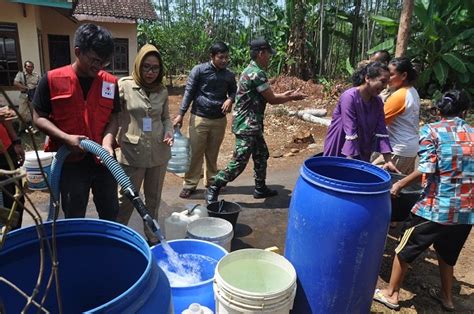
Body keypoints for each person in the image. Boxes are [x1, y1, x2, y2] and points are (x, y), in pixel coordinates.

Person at [373, 90, 473, 312]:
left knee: (403, 248)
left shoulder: (432, 131)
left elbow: (427, 167)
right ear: (464, 112)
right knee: (447, 254)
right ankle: (447, 299)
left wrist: (399, 184)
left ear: (438, 111)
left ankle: (391, 294)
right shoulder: (473, 134)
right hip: (465, 210)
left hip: (435, 208)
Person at [32, 23, 119, 220]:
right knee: (73, 213)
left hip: (104, 160)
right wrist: (65, 138)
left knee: (110, 212)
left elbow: (114, 117)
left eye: (104, 62)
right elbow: (38, 117)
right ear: (78, 52)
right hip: (70, 161)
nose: (99, 66)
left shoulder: (109, 82)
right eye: (95, 60)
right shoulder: (52, 79)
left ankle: (108, 248)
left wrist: (107, 143)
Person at [205, 38, 306, 204]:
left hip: (253, 124)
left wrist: (287, 96)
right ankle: (214, 186)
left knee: (261, 154)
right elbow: (272, 99)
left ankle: (260, 188)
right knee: (238, 163)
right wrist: (292, 97)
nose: (269, 58)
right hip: (247, 125)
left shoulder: (253, 70)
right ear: (261, 53)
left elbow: (268, 95)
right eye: (268, 54)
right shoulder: (256, 73)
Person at [116, 44, 173, 244]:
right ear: (139, 65)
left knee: (153, 199)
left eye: (155, 68)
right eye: (146, 67)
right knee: (126, 198)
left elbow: (166, 118)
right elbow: (113, 115)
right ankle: (119, 237)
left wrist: (169, 131)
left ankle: (151, 236)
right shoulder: (124, 86)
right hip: (132, 153)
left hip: (159, 151)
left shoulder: (162, 90)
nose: (150, 72)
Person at [172, 41, 237, 199]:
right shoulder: (199, 70)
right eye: (221, 57)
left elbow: (235, 91)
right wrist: (181, 113)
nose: (224, 60)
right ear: (212, 56)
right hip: (199, 118)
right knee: (195, 153)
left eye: (226, 58)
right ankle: (190, 184)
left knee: (212, 153)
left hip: (219, 120)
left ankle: (212, 182)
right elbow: (189, 92)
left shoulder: (229, 75)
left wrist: (230, 99)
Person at [323, 62, 398, 172]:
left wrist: (388, 160)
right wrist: (351, 164)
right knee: (336, 176)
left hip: (362, 145)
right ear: (367, 78)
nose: (384, 87)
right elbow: (350, 130)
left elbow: (381, 131)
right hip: (341, 144)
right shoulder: (349, 97)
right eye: (382, 81)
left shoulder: (377, 102)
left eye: (386, 83)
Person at [372, 57, 420, 175]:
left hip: (397, 149)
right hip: (410, 149)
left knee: (372, 180)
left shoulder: (398, 96)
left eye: (392, 75)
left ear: (404, 75)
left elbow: (378, 123)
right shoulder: (412, 92)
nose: (388, 79)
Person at [0, 106, 25, 230]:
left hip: (6, 152)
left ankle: (14, 239)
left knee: (16, 203)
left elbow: (4, 115)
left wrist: (16, 141)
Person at [13, 61, 40, 133]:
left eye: (31, 66)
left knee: (33, 112)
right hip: (24, 95)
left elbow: (39, 84)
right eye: (28, 66)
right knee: (21, 112)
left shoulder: (36, 75)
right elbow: (15, 83)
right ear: (25, 67)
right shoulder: (21, 74)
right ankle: (21, 128)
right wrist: (25, 87)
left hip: (33, 95)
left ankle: (35, 128)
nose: (30, 68)